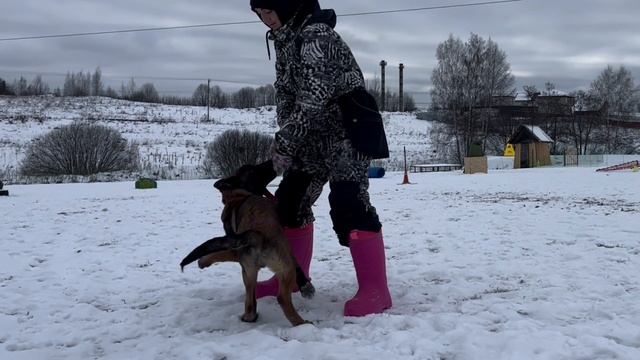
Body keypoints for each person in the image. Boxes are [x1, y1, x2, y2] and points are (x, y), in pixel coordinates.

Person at [249, 0, 392, 317]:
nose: (265, 19)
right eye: (260, 15)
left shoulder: (316, 36)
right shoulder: (285, 40)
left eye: (269, 11)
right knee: (290, 203)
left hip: (345, 132)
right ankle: (291, 278)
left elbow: (314, 97)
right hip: (310, 138)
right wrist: (280, 156)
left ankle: (376, 290)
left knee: (349, 203)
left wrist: (281, 150)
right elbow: (286, 97)